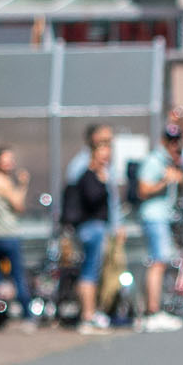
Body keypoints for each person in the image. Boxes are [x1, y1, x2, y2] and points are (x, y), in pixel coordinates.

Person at [0, 146, 37, 328]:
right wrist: (24, 184)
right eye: (6, 159)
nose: (10, 162)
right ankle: (28, 317)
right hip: (8, 235)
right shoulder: (1, 181)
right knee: (18, 277)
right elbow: (19, 205)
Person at [135, 125, 183, 332]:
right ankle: (152, 311)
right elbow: (143, 189)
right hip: (154, 217)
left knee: (161, 262)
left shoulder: (168, 160)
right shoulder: (154, 160)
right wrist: (165, 180)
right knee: (158, 262)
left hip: (163, 217)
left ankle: (155, 309)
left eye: (177, 140)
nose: (175, 145)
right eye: (171, 140)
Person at [66, 127, 116, 334]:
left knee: (92, 271)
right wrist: (102, 181)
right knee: (89, 272)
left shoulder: (95, 174)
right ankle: (87, 315)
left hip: (96, 228)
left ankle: (91, 313)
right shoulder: (87, 174)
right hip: (90, 228)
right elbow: (92, 200)